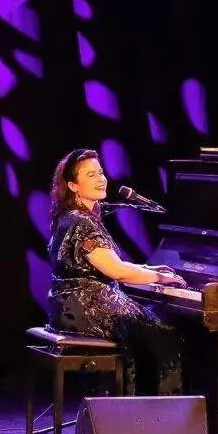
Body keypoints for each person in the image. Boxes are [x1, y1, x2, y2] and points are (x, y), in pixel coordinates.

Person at [47, 148, 184, 396]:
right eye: (91, 175)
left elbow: (109, 265)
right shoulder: (82, 223)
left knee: (152, 324)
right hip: (85, 308)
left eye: (101, 172)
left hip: (68, 307)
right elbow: (117, 271)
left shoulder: (71, 217)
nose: (101, 179)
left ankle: (137, 406)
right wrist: (160, 278)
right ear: (73, 185)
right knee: (165, 334)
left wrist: (148, 269)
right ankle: (160, 416)